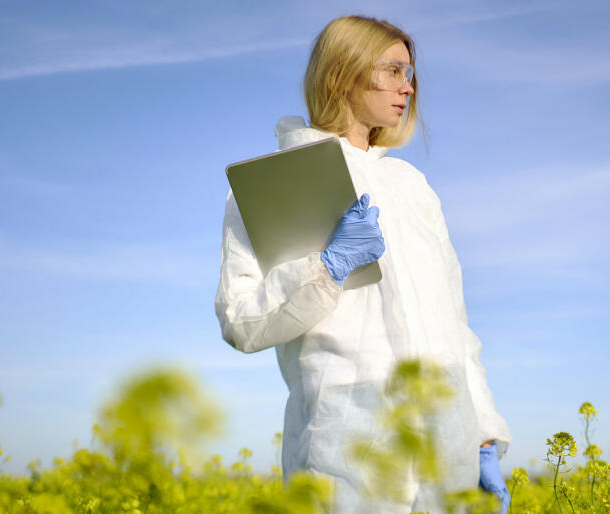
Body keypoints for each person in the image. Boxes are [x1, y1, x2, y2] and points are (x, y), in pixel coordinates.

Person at [215, 15, 511, 513]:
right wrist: (326, 267)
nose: (409, 87)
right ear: (344, 71)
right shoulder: (276, 182)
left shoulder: (413, 187)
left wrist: (481, 434)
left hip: (447, 452)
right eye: (394, 70)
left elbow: (456, 327)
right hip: (347, 448)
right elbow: (241, 320)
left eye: (411, 74)